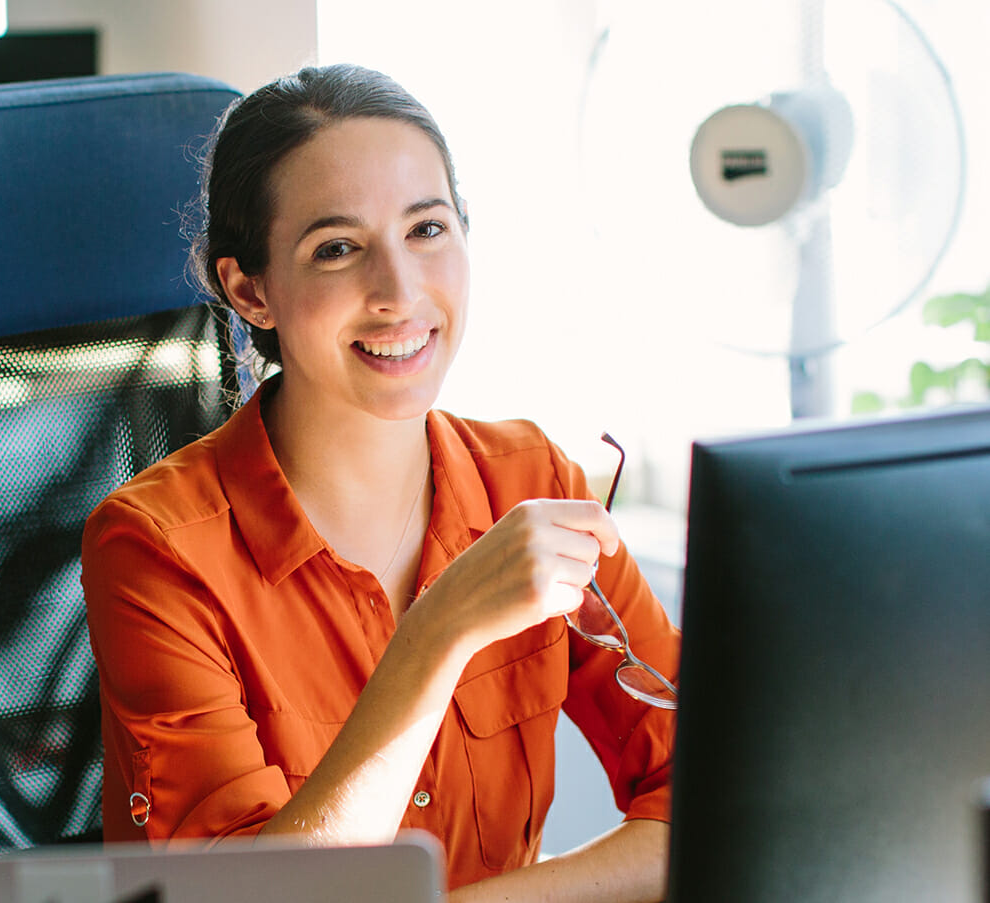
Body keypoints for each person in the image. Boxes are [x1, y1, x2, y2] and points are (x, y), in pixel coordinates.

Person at [80, 64, 679, 901]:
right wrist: (438, 636)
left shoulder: (530, 481)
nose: (400, 293)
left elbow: (712, 800)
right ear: (250, 291)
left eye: (427, 230)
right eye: (337, 249)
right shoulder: (155, 548)